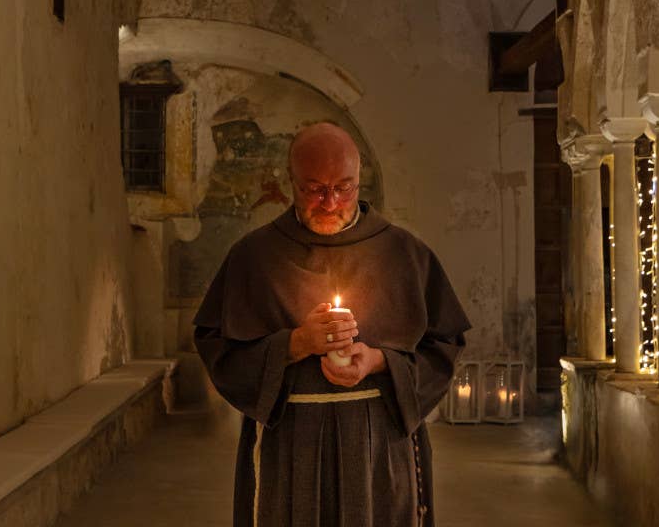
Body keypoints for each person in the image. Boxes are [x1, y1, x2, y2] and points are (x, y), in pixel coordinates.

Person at [194, 122, 470, 527]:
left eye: (343, 187)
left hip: (378, 447)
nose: (329, 202)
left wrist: (379, 361)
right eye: (314, 189)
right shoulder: (253, 256)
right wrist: (295, 344)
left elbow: (445, 346)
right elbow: (217, 347)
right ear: (290, 182)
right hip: (288, 445)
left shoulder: (405, 254)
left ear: (360, 180)